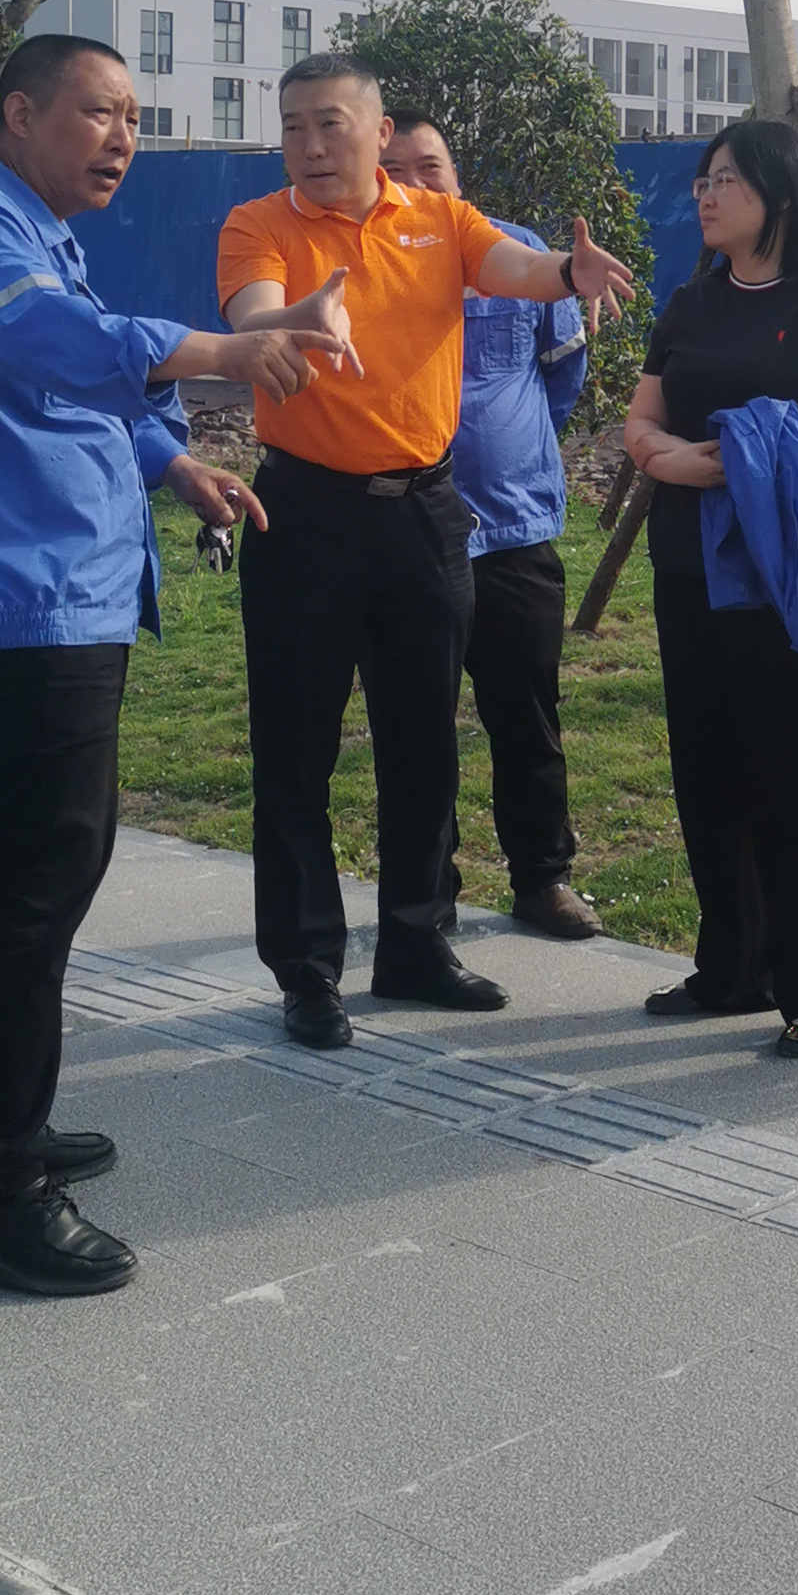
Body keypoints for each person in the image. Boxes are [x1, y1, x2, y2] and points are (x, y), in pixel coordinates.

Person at [0, 33, 347, 1294]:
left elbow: (68, 385)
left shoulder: (31, 228)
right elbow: (53, 346)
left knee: (33, 875)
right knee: (34, 885)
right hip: (16, 595)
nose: (124, 138)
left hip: (52, 590)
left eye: (135, 116)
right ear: (18, 112)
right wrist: (227, 350)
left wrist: (173, 463)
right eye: (99, 112)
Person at [216, 56, 637, 1050]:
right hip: (304, 516)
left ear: (377, 134)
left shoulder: (441, 221)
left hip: (424, 515)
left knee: (423, 745)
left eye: (329, 124)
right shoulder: (258, 224)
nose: (309, 146)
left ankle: (415, 944)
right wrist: (295, 319)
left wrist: (570, 273)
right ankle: (307, 970)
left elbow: (518, 270)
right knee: (295, 754)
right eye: (292, 127)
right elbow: (251, 311)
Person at [621, 116, 798, 1057]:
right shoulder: (692, 301)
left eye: (725, 178)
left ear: (779, 190)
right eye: (703, 179)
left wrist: (724, 453)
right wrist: (668, 460)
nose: (705, 194)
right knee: (708, 769)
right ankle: (733, 967)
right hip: (687, 561)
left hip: (777, 567)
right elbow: (641, 420)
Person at [379, 110, 600, 942]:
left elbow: (562, 371)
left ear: (456, 174)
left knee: (526, 714)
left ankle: (543, 878)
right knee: (417, 722)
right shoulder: (364, 259)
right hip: (407, 528)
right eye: (394, 170)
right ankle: (428, 897)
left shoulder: (516, 252)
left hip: (512, 527)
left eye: (428, 166)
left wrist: (513, 443)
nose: (412, 183)